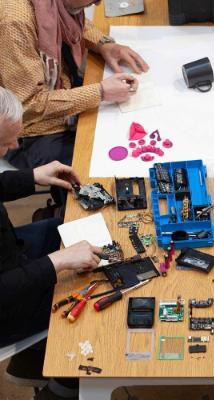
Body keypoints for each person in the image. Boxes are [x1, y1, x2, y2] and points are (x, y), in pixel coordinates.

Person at [0, 87, 103, 399]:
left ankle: (32, 358)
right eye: (4, 143)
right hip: (6, 304)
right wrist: (59, 261)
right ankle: (61, 388)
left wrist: (32, 176)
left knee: (68, 227)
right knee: (98, 300)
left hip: (11, 253)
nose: (15, 147)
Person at [0, 0, 148, 204]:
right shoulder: (16, 21)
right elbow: (29, 104)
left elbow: (69, 20)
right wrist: (100, 92)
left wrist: (104, 44)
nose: (97, 2)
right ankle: (63, 216)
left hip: (61, 90)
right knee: (91, 179)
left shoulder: (53, 5)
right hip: (28, 131)